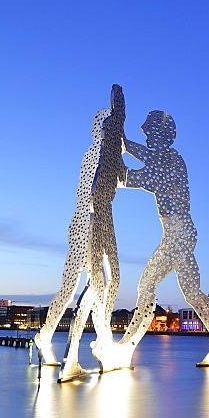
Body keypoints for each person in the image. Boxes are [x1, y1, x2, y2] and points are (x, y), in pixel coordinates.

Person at [97, 110, 209, 368]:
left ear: (161, 133)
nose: (144, 131)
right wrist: (122, 143)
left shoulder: (170, 162)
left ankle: (126, 347)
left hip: (178, 232)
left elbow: (137, 177)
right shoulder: (167, 158)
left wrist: (116, 159)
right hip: (182, 231)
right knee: (192, 293)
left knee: (146, 286)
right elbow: (146, 157)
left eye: (148, 129)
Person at [34, 86, 127, 380]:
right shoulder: (101, 155)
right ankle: (73, 355)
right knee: (97, 285)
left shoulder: (102, 156)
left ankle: (48, 336)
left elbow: (123, 180)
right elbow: (97, 191)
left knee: (79, 285)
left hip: (95, 221)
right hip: (92, 222)